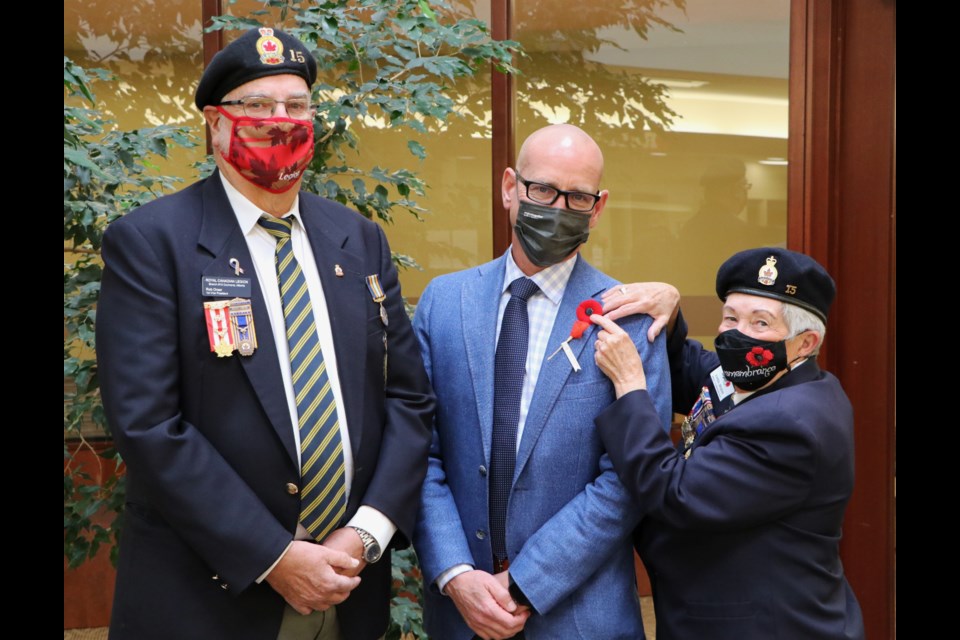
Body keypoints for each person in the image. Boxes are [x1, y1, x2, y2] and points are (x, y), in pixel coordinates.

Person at [96, 27, 434, 640]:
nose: (281, 121)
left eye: (297, 106)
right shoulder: (153, 243)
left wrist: (367, 532)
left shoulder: (358, 241)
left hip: (348, 588)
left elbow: (408, 398)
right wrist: (275, 556)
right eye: (257, 105)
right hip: (209, 598)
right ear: (215, 122)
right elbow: (147, 422)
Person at [412, 123, 673, 639]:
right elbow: (418, 452)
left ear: (597, 208)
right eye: (542, 190)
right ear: (510, 188)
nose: (557, 208)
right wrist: (457, 574)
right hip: (460, 613)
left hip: (580, 616)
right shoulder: (443, 303)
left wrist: (526, 583)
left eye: (577, 197)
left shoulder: (632, 319)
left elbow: (629, 478)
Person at [590, 247, 864, 639]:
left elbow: (673, 492)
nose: (738, 334)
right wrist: (669, 312)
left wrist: (631, 387)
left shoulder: (792, 424)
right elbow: (696, 373)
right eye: (731, 317)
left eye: (760, 323)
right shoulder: (771, 378)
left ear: (805, 343)